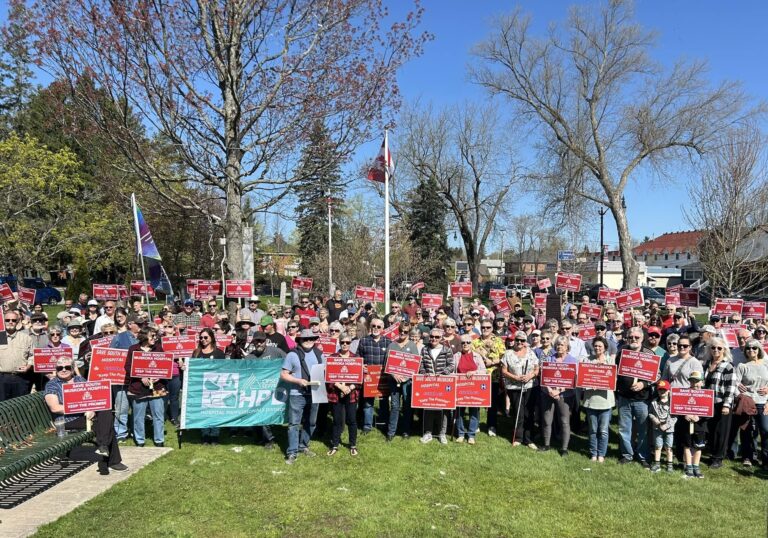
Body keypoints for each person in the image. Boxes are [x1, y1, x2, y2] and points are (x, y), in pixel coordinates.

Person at [44, 356, 128, 475]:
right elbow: (55, 408)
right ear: (56, 370)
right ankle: (110, 461)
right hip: (68, 420)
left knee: (105, 411)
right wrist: (82, 408)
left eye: (67, 367)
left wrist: (92, 408)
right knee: (105, 425)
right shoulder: (52, 385)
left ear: (73, 369)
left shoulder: (79, 380)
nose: (63, 370)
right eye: (60, 368)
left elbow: (93, 397)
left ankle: (103, 447)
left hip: (85, 417)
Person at [281, 329, 323, 464]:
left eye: (311, 339)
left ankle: (303, 445)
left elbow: (326, 371)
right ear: (299, 340)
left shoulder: (319, 354)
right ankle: (292, 452)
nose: (308, 341)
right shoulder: (292, 354)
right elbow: (284, 374)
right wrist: (298, 381)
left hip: (315, 393)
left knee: (311, 422)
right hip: (297, 394)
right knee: (294, 423)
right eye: (305, 339)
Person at [615, 326, 652, 467]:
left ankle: (643, 456)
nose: (634, 340)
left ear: (642, 339)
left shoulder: (649, 354)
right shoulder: (622, 352)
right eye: (631, 337)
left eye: (637, 337)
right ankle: (627, 455)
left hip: (642, 399)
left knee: (643, 430)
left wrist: (644, 383)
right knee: (624, 429)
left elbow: (656, 376)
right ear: (627, 338)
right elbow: (616, 373)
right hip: (624, 397)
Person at [126, 326, 167, 447]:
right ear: (144, 337)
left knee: (158, 415)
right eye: (152, 336)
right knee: (138, 416)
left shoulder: (158, 349)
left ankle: (159, 440)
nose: (155, 338)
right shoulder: (133, 349)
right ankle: (140, 440)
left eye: (156, 336)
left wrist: (159, 376)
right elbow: (128, 367)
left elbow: (164, 365)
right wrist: (140, 377)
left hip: (157, 388)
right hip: (138, 388)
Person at [244, 331, 285, 449]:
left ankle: (269, 439)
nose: (259, 343)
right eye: (256, 341)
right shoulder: (250, 357)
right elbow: (245, 374)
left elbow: (288, 360)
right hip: (257, 391)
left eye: (261, 341)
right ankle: (261, 437)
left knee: (263, 415)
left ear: (266, 341)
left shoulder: (275, 351)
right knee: (256, 414)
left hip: (275, 388)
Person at [539, 335, 578, 455]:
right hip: (548, 393)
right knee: (547, 420)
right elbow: (543, 375)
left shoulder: (572, 361)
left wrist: (559, 391)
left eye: (562, 345)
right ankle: (546, 444)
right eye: (557, 344)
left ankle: (564, 448)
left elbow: (574, 380)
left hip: (565, 395)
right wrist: (550, 390)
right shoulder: (549, 359)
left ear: (567, 347)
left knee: (564, 421)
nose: (559, 347)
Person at [501, 331, 539, 449]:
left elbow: (537, 369)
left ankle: (528, 439)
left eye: (522, 340)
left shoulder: (531, 353)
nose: (519, 342)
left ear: (525, 342)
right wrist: (516, 377)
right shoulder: (508, 353)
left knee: (528, 412)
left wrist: (529, 376)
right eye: (517, 340)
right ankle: (518, 437)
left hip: (530, 386)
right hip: (514, 387)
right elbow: (504, 371)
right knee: (518, 411)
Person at [733, 339, 768, 468]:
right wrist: (738, 386)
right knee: (747, 430)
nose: (751, 350)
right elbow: (735, 382)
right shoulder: (742, 366)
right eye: (748, 348)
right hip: (748, 401)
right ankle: (747, 457)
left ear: (759, 349)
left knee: (765, 430)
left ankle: (765, 460)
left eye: (754, 348)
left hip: (763, 402)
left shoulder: (766, 364)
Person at [702, 337, 735, 469]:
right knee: (711, 430)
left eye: (719, 348)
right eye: (713, 347)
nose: (716, 350)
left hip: (722, 403)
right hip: (708, 403)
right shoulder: (706, 364)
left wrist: (727, 404)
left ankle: (718, 458)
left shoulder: (728, 366)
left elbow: (731, 387)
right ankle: (712, 454)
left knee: (721, 432)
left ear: (724, 350)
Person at [581, 336, 615, 463]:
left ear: (605, 348)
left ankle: (601, 454)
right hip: (591, 400)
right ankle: (593, 453)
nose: (597, 348)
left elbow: (614, 380)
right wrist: (589, 384)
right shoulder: (586, 360)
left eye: (600, 346)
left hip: (605, 401)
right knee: (593, 430)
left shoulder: (610, 361)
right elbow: (582, 379)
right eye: (595, 346)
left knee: (603, 430)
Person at [419, 328, 455, 444]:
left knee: (443, 409)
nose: (434, 339)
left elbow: (451, 365)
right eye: (432, 337)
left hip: (442, 383)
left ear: (441, 338)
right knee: (428, 408)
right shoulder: (424, 349)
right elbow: (421, 365)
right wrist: (425, 373)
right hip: (428, 383)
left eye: (437, 337)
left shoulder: (447, 350)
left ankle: (442, 433)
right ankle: (428, 433)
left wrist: (443, 373)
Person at [326, 334, 360, 456]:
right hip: (336, 393)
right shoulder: (332, 357)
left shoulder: (356, 358)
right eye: (342, 342)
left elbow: (359, 379)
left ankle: (353, 445)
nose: (345, 344)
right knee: (336, 420)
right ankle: (334, 444)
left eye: (347, 342)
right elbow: (328, 377)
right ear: (339, 343)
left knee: (351, 420)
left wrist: (349, 387)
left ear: (351, 343)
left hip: (351, 394)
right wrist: (340, 386)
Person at [191, 327, 226, 443]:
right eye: (201, 338)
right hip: (201, 387)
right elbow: (193, 369)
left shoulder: (219, 353)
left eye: (206, 337)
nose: (203, 340)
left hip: (216, 387)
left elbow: (224, 370)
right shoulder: (196, 353)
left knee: (215, 412)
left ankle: (215, 435)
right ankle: (205, 435)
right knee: (204, 412)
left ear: (211, 338)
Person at [357, 318, 392, 434]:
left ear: (382, 329)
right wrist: (361, 366)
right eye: (374, 326)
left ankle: (384, 423)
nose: (376, 328)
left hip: (383, 377)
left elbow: (392, 360)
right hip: (369, 378)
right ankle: (367, 426)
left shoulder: (388, 342)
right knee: (368, 403)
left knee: (384, 402)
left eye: (379, 326)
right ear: (370, 327)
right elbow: (358, 358)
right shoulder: (363, 341)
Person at [471, 319, 505, 437]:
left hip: (493, 376)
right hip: (479, 376)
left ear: (492, 328)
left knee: (492, 403)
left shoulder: (499, 341)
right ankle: (475, 425)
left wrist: (493, 362)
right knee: (477, 402)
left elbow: (504, 357)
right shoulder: (475, 342)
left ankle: (491, 425)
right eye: (483, 327)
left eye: (488, 327)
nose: (485, 329)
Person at [386, 322, 418, 441]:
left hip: (407, 381)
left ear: (409, 333)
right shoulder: (392, 345)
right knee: (394, 406)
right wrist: (394, 374)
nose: (403, 334)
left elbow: (416, 365)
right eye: (401, 331)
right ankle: (391, 432)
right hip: (393, 380)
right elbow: (386, 364)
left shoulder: (412, 346)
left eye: (405, 332)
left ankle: (406, 431)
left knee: (407, 406)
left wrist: (406, 377)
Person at [453, 334, 487, 444]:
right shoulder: (456, 356)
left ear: (471, 344)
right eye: (463, 343)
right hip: (460, 388)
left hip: (474, 389)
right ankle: (461, 434)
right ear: (460, 344)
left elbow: (484, 371)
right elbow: (452, 371)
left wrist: (474, 372)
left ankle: (471, 434)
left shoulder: (477, 356)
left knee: (474, 412)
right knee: (459, 412)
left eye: (468, 342)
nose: (465, 344)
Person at [679, 371, 707, 479]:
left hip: (700, 426)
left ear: (702, 382)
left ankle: (696, 466)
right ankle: (689, 466)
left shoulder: (706, 395)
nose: (694, 383)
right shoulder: (684, 394)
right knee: (687, 445)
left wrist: (699, 417)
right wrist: (684, 415)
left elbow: (709, 411)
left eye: (697, 381)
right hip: (686, 425)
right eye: (692, 381)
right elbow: (678, 407)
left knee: (698, 446)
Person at [0, 310, 33, 400]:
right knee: (2, 407)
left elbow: (32, 355)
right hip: (2, 378)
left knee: (19, 407)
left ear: (17, 322)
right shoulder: (0, 336)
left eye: (13, 320)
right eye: (7, 320)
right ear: (3, 321)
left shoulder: (26, 338)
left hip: (20, 378)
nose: (10, 322)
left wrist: (28, 366)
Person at [648, 380, 676, 473]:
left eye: (664, 390)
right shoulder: (654, 402)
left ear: (668, 391)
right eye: (660, 390)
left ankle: (669, 464)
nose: (662, 392)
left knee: (669, 447)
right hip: (657, 428)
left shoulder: (673, 403)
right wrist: (655, 420)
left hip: (669, 429)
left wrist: (667, 425)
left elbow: (675, 417)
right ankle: (657, 464)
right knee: (658, 446)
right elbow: (650, 413)